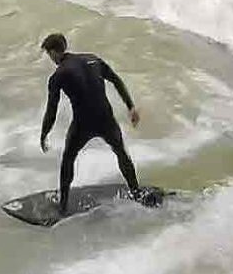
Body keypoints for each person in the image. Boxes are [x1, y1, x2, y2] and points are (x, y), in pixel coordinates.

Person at [39, 32, 157, 214]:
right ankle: (136, 192)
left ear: (54, 52)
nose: (50, 58)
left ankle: (62, 206)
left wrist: (44, 133)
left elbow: (52, 110)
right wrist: (131, 107)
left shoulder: (58, 75)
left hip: (83, 123)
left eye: (49, 54)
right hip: (106, 119)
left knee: (68, 159)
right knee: (121, 152)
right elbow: (116, 80)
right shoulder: (93, 59)